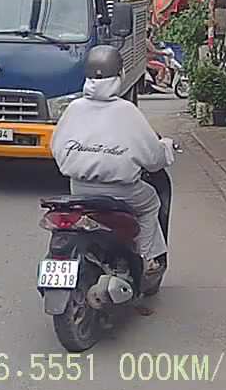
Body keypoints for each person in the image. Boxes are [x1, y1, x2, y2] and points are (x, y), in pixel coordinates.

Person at [50, 45, 177, 289]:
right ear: (119, 75)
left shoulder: (74, 108)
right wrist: (165, 149)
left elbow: (56, 147)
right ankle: (148, 259)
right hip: (123, 192)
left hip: (79, 190)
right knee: (151, 203)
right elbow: (153, 158)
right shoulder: (127, 111)